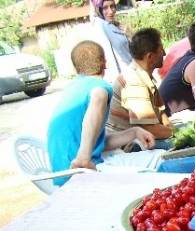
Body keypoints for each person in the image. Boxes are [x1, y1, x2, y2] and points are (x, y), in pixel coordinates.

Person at [47, 41, 155, 185]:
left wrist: (134, 132)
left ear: (76, 68)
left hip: (63, 173)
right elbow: (99, 97)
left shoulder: (74, 88)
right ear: (105, 63)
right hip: (81, 172)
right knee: (158, 159)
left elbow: (97, 142)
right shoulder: (99, 87)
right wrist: (84, 157)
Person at [107, 28, 173, 150]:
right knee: (186, 144)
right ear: (150, 56)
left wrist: (174, 128)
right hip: (130, 145)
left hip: (143, 137)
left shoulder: (143, 75)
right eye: (161, 50)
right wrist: (181, 133)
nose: (164, 53)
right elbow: (151, 129)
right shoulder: (134, 82)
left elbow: (162, 115)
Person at [91, 0, 132, 83]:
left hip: (131, 73)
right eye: (105, 8)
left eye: (112, 6)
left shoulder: (115, 25)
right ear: (98, 9)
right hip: (122, 79)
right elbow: (108, 56)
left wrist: (130, 34)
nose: (111, 11)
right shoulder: (100, 27)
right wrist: (117, 79)